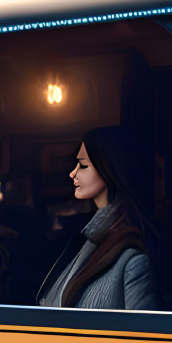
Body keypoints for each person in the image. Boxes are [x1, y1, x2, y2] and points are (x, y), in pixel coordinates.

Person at [37, 125, 158, 310]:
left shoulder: (134, 260)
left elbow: (141, 334)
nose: (73, 173)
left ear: (109, 169)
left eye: (83, 165)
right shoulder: (89, 239)